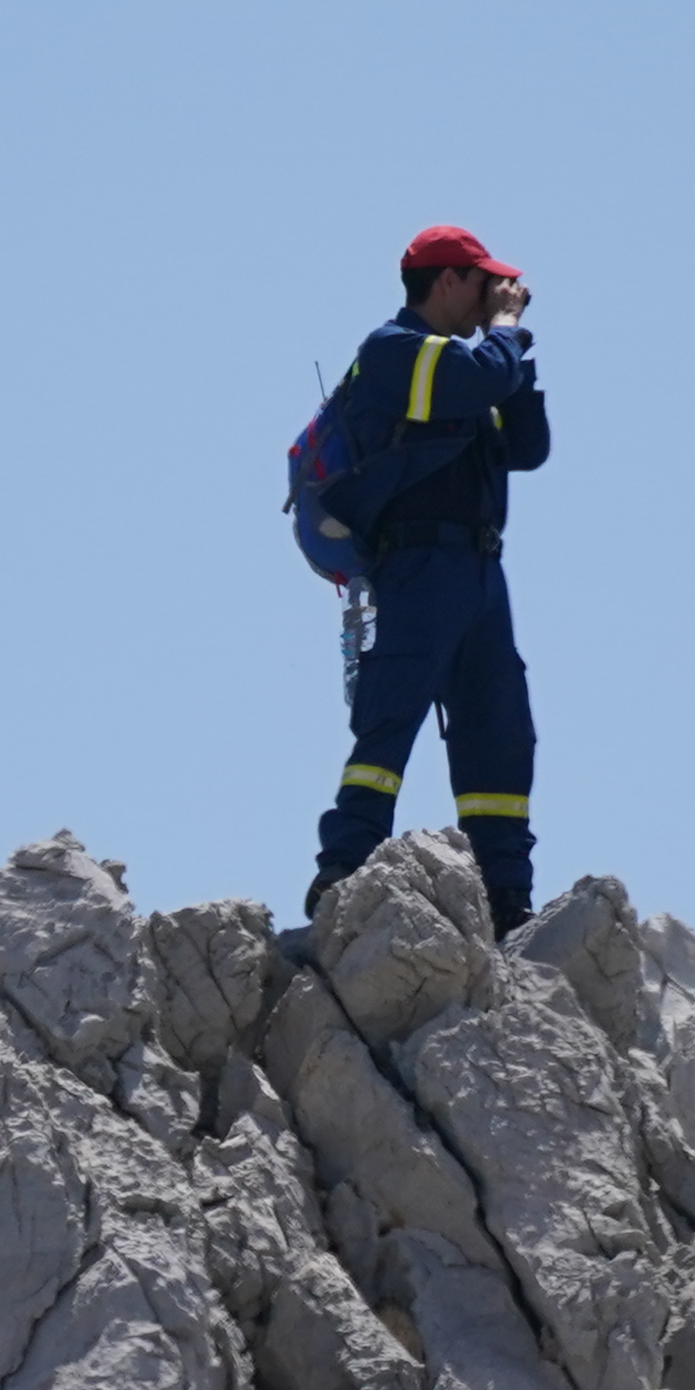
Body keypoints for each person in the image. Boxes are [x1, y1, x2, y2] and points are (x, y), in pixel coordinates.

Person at [306, 223, 552, 936]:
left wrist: (516, 352)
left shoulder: (475, 364)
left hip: (478, 568)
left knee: (500, 731)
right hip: (416, 565)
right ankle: (343, 866)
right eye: (484, 282)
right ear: (447, 281)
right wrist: (503, 334)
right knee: (391, 717)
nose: (496, 296)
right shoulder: (394, 352)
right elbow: (471, 383)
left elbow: (529, 449)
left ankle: (506, 892)